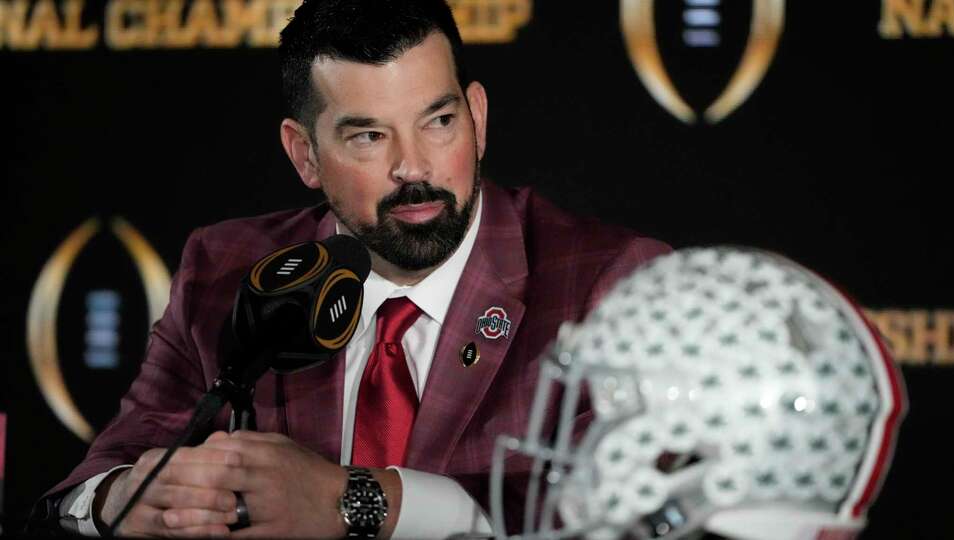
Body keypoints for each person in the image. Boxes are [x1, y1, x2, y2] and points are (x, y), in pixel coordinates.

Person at [32, 0, 670, 537]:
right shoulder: (227, 270)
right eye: (368, 136)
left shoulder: (611, 283)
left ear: (477, 118)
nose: (413, 167)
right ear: (304, 154)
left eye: (439, 122)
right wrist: (123, 500)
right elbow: (89, 484)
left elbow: (638, 512)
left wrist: (356, 500)